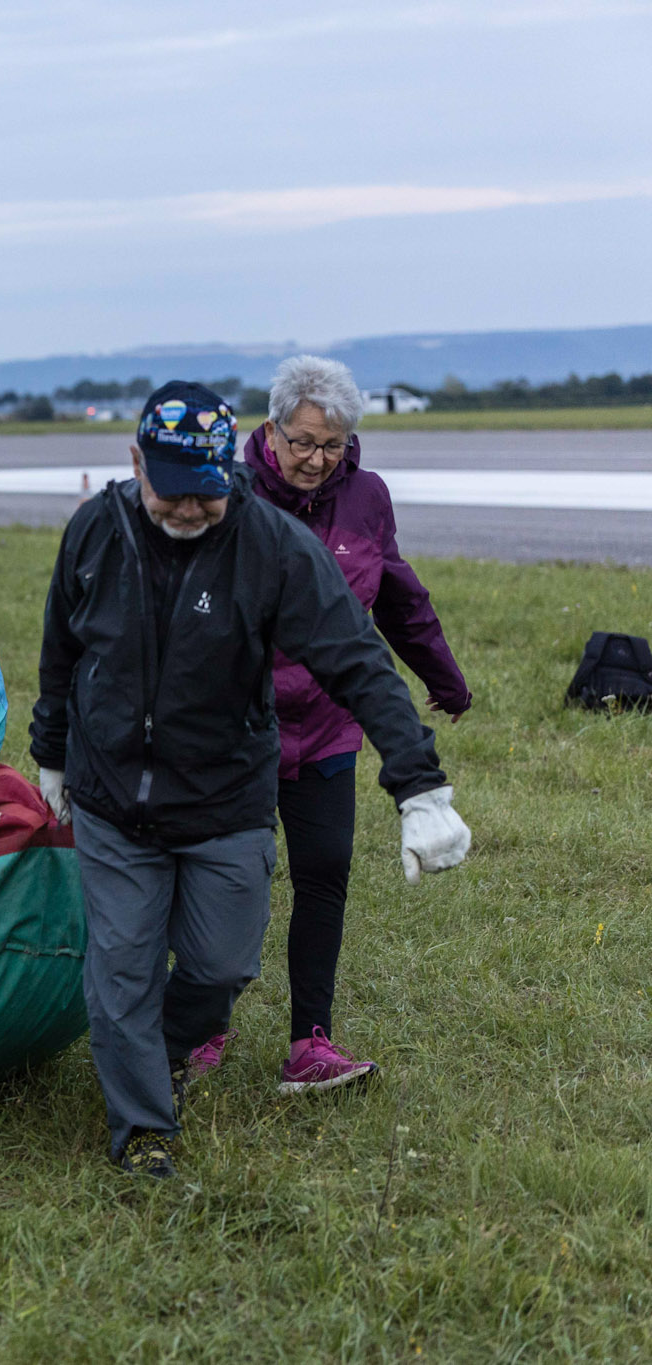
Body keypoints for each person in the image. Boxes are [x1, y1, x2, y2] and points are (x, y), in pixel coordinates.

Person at [29, 381, 470, 1179]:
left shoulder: (269, 545)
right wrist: (52, 754)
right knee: (121, 969)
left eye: (207, 493)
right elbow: (62, 649)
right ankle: (143, 1130)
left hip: (225, 799)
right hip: (111, 800)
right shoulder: (96, 530)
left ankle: (161, 1047)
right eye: (172, 491)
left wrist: (420, 783)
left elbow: (357, 658)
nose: (190, 510)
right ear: (136, 463)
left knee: (223, 964)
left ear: (228, 470)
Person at [182, 357, 471, 1095]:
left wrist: (444, 678)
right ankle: (200, 1020)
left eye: (332, 445)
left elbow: (398, 593)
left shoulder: (367, 497)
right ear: (271, 430)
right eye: (304, 442)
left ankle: (310, 1041)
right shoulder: (228, 495)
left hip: (328, 727)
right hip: (237, 728)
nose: (316, 460)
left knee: (324, 874)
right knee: (229, 879)